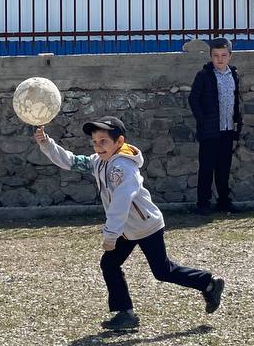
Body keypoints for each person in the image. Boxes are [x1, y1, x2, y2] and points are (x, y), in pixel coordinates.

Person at [34, 116, 226, 331]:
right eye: (95, 141)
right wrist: (46, 143)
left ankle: (209, 284)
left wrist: (110, 234)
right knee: (110, 264)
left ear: (119, 141)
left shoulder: (124, 167)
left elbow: (121, 200)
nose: (98, 146)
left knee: (162, 271)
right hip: (125, 229)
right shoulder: (99, 162)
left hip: (146, 226)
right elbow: (70, 161)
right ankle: (125, 313)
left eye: (104, 141)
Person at [189, 38, 243, 213]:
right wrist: (203, 121)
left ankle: (224, 201)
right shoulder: (204, 75)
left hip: (227, 129)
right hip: (210, 130)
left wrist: (237, 122)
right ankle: (203, 203)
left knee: (223, 167)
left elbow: (235, 100)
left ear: (230, 56)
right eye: (216, 55)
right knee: (206, 167)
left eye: (224, 55)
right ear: (211, 56)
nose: (220, 59)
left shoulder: (233, 74)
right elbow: (194, 99)